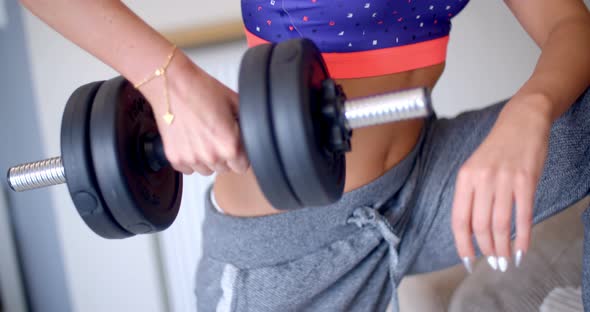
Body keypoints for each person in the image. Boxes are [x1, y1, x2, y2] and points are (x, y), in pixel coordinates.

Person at [20, 0, 590, 311]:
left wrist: (532, 110)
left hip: (428, 180)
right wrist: (165, 79)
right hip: (289, 246)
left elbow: (568, 24)